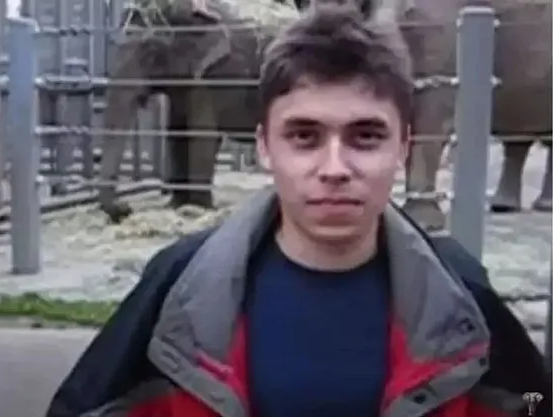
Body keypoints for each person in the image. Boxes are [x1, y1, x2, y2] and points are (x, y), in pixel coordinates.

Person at [46, 3, 552, 417]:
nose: (334, 168)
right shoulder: (177, 284)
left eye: (365, 137)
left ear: (404, 147)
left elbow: (533, 403)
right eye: (305, 137)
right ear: (264, 147)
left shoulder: (461, 290)